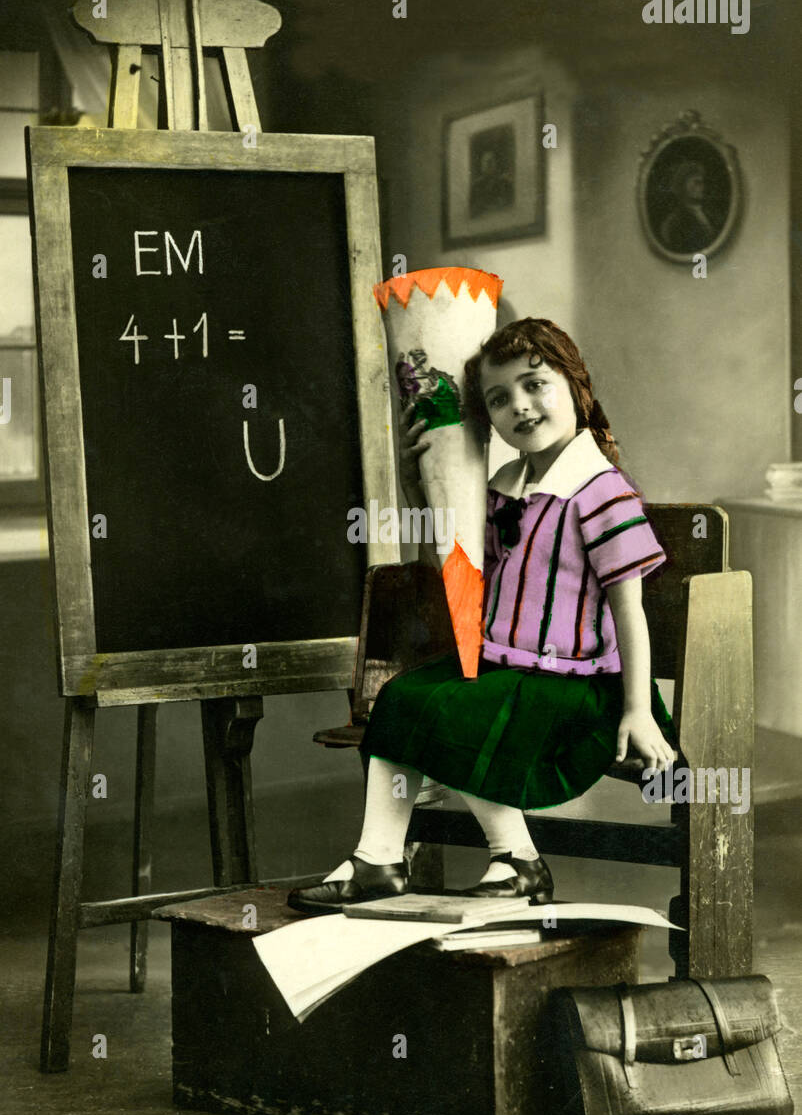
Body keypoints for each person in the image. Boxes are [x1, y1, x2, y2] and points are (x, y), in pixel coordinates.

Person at [288, 318, 678, 914]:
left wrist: (637, 711)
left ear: (575, 386)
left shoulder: (601, 491)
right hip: (507, 669)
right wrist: (421, 483)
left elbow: (631, 611)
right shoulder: (504, 486)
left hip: (579, 685)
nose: (519, 407)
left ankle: (516, 859)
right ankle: (379, 859)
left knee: (459, 712)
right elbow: (455, 568)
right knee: (402, 698)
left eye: (534, 385)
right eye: (499, 399)